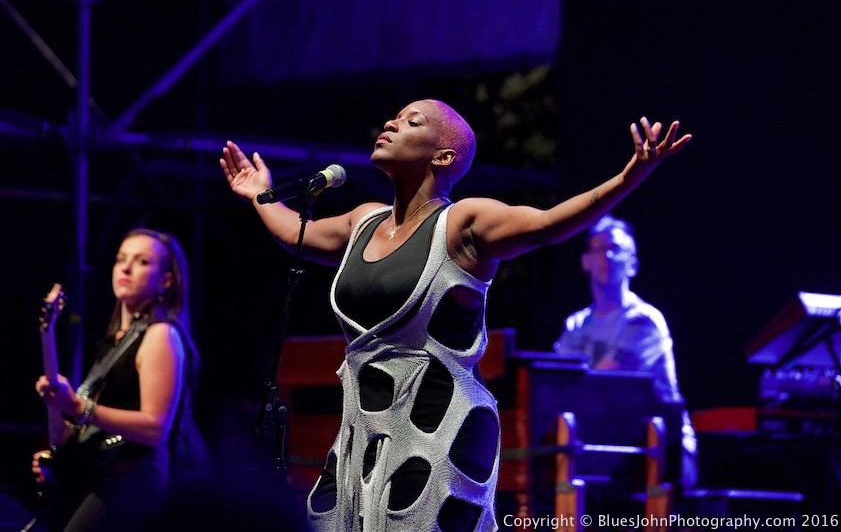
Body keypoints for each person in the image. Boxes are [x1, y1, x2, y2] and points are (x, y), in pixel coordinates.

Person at [220, 98, 691, 531]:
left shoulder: (463, 223)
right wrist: (260, 194)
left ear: (443, 157)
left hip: (439, 428)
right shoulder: (361, 220)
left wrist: (630, 176)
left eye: (411, 122)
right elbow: (294, 232)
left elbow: (548, 226)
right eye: (394, 118)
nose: (390, 123)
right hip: (362, 431)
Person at [33, 228, 201, 532]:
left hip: (131, 478)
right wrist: (59, 435)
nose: (125, 267)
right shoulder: (112, 344)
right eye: (120, 259)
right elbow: (77, 431)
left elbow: (154, 428)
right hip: (98, 474)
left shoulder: (161, 334)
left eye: (142, 261)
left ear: (166, 281)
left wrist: (77, 405)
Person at [553, 214, 698, 490]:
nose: (607, 255)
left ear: (633, 265)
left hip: (663, 447)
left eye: (617, 249)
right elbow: (560, 388)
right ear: (585, 261)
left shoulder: (643, 321)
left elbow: (599, 386)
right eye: (599, 247)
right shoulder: (575, 325)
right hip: (602, 441)